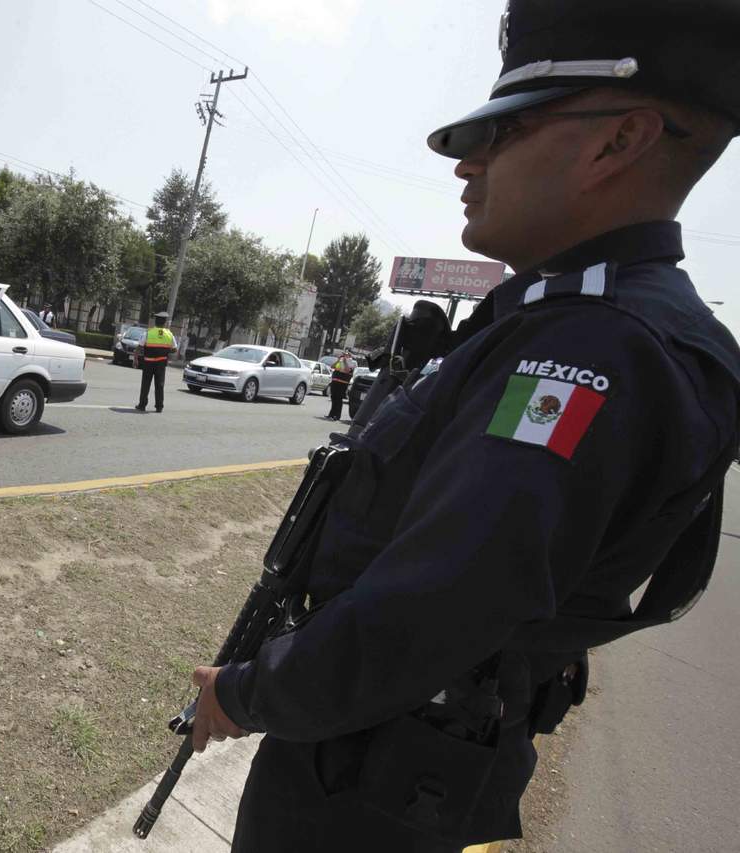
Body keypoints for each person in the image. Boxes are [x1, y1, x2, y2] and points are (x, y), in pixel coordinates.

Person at [188, 2, 740, 851]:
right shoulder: (568, 321)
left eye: (505, 131)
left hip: (369, 784)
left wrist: (243, 692)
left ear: (619, 142)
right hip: (389, 759)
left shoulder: (590, 344)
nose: (466, 162)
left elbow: (434, 606)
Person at [135, 310, 176, 412]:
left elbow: (139, 347)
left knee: (145, 384)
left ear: (155, 322)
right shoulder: (169, 334)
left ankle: (142, 405)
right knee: (160, 385)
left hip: (148, 363)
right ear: (165, 323)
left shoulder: (148, 333)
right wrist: (165, 351)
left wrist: (135, 359)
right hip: (161, 364)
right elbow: (175, 349)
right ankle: (159, 406)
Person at [323, 350, 356, 421]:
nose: (345, 355)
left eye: (347, 354)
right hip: (335, 381)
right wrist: (338, 360)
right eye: (344, 354)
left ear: (350, 355)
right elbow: (332, 366)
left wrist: (345, 361)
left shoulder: (352, 362)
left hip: (343, 383)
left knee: (338, 399)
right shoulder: (340, 361)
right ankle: (331, 414)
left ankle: (337, 416)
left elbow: (347, 370)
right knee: (333, 397)